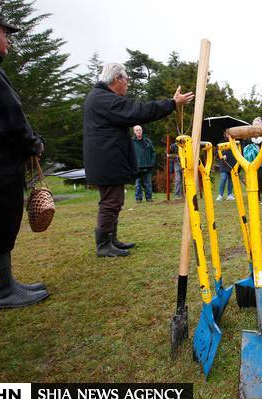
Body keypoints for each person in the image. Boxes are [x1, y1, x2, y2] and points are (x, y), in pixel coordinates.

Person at [0, 5, 50, 309]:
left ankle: (4, 283)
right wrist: (34, 145)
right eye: (3, 30)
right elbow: (8, 121)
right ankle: (1, 292)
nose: (7, 38)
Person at [83, 62, 194, 256]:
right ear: (117, 79)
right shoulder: (105, 100)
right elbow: (139, 111)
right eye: (126, 79)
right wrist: (172, 103)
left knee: (113, 199)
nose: (128, 84)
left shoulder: (99, 98)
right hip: (107, 159)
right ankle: (103, 245)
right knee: (111, 201)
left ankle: (110, 239)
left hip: (106, 158)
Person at [243, 117, 262, 204]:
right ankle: (256, 197)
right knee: (253, 179)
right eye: (254, 125)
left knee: (261, 178)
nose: (255, 127)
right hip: (251, 162)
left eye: (257, 125)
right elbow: (244, 148)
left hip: (261, 161)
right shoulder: (249, 137)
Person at [132, 125, 156, 203]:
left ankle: (149, 198)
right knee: (138, 184)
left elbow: (153, 152)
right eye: (137, 130)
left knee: (148, 183)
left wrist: (152, 163)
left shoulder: (147, 141)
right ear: (134, 132)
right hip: (137, 166)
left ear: (142, 131)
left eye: (140, 130)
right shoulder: (132, 142)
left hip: (147, 166)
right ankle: (138, 198)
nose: (139, 131)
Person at [216, 129, 235, 201]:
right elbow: (217, 152)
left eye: (229, 133)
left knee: (231, 179)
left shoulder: (233, 141)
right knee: (223, 178)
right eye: (227, 133)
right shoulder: (221, 142)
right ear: (224, 134)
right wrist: (222, 155)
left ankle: (230, 194)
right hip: (224, 163)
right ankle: (220, 195)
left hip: (232, 162)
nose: (228, 134)